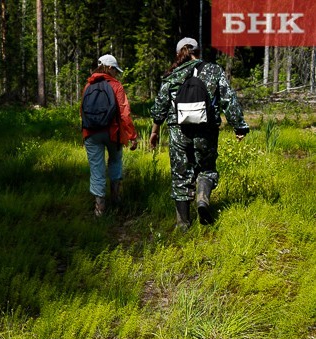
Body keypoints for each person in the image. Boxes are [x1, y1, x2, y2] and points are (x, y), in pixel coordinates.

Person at [150, 37, 249, 231]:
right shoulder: (214, 70)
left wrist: (155, 130)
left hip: (179, 131)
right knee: (206, 168)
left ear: (180, 53)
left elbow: (160, 105)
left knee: (180, 175)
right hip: (207, 129)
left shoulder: (173, 75)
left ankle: (183, 224)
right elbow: (229, 100)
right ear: (199, 51)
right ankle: (202, 200)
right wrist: (239, 127)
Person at [81, 54, 138, 217]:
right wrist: (132, 135)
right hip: (112, 132)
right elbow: (124, 114)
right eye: (115, 70)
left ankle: (100, 209)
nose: (117, 74)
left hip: (91, 133)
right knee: (115, 162)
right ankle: (117, 200)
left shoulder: (88, 85)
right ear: (110, 68)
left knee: (96, 170)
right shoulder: (116, 86)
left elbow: (82, 111)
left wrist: (84, 134)